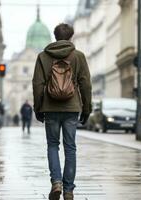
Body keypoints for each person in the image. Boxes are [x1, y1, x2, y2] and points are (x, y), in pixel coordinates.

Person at [32, 23, 92, 200]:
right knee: (70, 147)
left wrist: (38, 108)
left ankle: (56, 182)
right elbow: (86, 85)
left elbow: (37, 85)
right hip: (72, 108)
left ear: (55, 36)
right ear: (71, 37)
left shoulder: (43, 56)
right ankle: (68, 190)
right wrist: (86, 109)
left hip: (50, 108)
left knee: (52, 145)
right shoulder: (78, 56)